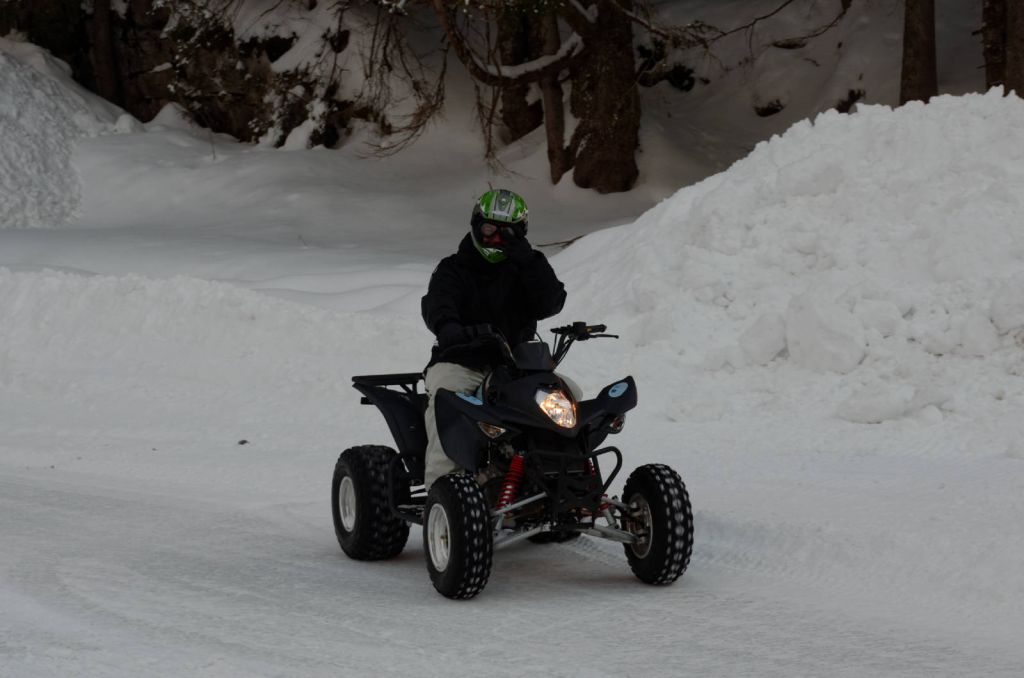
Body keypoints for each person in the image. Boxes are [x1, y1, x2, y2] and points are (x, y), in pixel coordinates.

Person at [420, 188, 567, 487]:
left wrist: (529, 264)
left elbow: (550, 302)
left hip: (518, 367)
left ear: (521, 233)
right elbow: (438, 304)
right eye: (489, 229)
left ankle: (561, 478)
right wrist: (449, 328)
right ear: (475, 225)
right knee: (446, 401)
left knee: (569, 398)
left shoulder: (526, 266)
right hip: (462, 362)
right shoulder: (453, 268)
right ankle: (441, 490)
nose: (497, 239)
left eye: (508, 232)